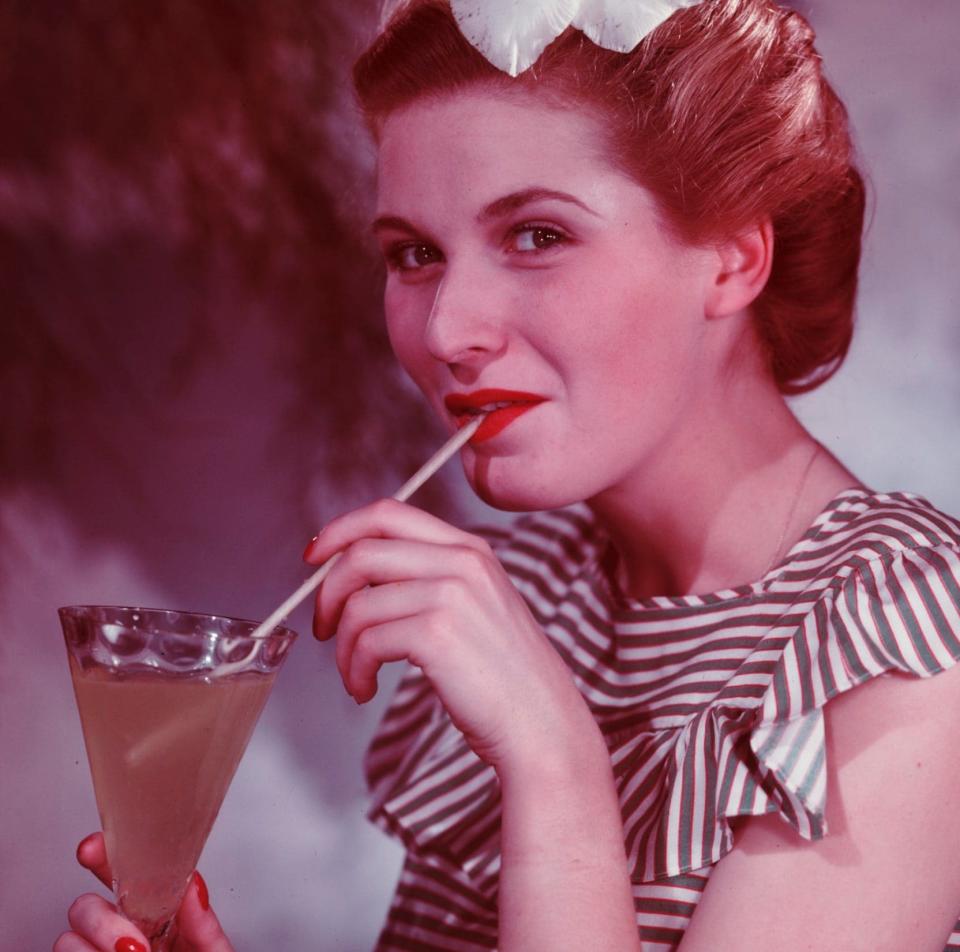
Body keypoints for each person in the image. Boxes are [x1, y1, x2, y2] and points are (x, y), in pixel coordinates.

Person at [57, 0, 960, 949]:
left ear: (735, 257)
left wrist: (553, 758)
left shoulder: (912, 645)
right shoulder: (537, 588)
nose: (447, 332)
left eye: (537, 235)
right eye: (413, 254)